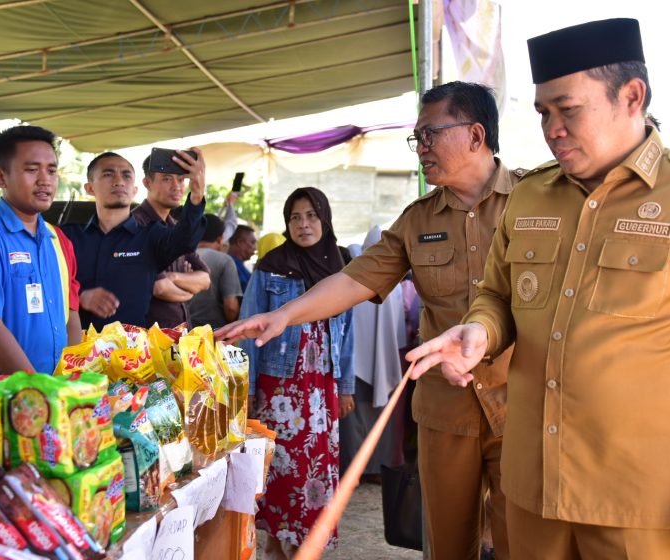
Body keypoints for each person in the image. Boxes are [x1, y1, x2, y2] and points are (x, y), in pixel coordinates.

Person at [407, 18, 670, 559]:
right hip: (530, 495)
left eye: (568, 110)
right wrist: (479, 331)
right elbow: (497, 296)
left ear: (631, 97)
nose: (552, 129)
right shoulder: (532, 196)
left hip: (644, 508)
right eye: (544, 112)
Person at [218, 81, 521, 559]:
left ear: (476, 135)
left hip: (521, 409)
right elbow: (355, 280)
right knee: (446, 544)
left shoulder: (535, 202)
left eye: (429, 135)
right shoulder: (417, 220)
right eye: (416, 138)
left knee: (520, 543)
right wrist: (284, 315)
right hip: (446, 414)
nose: (420, 148)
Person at [237, 187, 355, 559]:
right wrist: (248, 387)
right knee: (279, 469)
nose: (304, 225)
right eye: (295, 217)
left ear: (325, 219)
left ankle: (306, 544)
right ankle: (275, 541)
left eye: (311, 216)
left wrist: (346, 386)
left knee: (317, 469)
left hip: (322, 387)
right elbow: (248, 329)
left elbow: (348, 333)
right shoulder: (271, 264)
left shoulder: (342, 266)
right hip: (280, 388)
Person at [0, 125, 81, 375]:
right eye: (32, 170)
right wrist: (38, 390)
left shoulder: (55, 238)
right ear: (0, 178)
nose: (45, 180)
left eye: (51, 171)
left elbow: (70, 316)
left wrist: (72, 379)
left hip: (54, 396)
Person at [62, 150, 205, 331]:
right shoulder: (67, 237)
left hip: (131, 355)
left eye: (126, 175)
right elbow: (42, 288)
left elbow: (186, 239)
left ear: (135, 190)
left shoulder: (152, 236)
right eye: (108, 174)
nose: (119, 181)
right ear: (90, 188)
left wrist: (197, 193)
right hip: (77, 353)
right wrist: (80, 296)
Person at [339, 227, 406, 475]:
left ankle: (355, 470)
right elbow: (398, 331)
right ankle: (377, 466)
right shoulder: (395, 285)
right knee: (377, 418)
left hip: (356, 362)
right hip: (385, 361)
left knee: (356, 419)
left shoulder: (352, 280)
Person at [132, 153, 211, 328]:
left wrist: (173, 276)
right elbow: (159, 288)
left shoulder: (177, 228)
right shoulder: (136, 224)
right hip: (148, 341)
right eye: (167, 179)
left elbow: (205, 279)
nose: (177, 187)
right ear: (147, 183)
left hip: (180, 337)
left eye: (181, 180)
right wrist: (189, 288)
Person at [187, 214, 242, 329]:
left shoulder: (180, 256)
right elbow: (231, 307)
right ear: (220, 238)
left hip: (183, 331)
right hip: (214, 333)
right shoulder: (224, 260)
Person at [227, 224, 257, 292]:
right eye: (252, 242)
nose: (255, 248)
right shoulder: (230, 265)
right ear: (240, 242)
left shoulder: (237, 265)